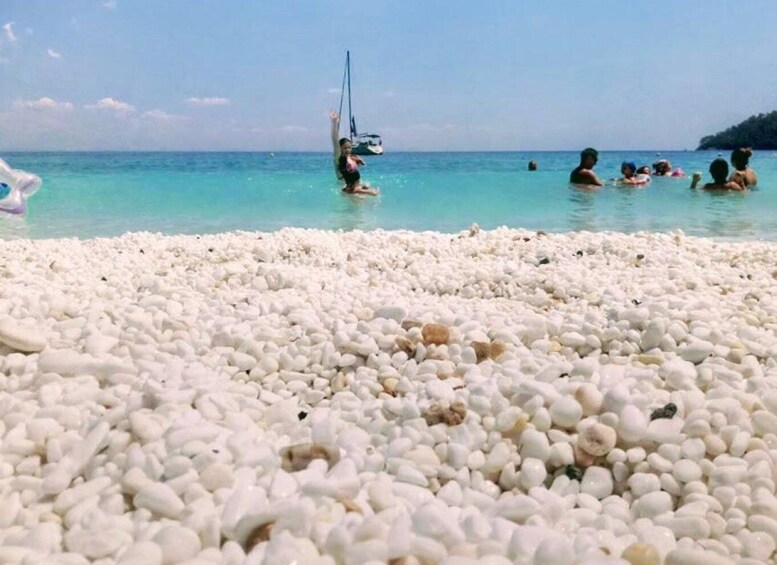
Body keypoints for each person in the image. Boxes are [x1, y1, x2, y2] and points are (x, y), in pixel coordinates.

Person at [330, 110, 344, 181]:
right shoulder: (339, 158)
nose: (348, 150)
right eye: (345, 148)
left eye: (349, 148)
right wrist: (334, 122)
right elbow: (335, 140)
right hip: (345, 188)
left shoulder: (347, 159)